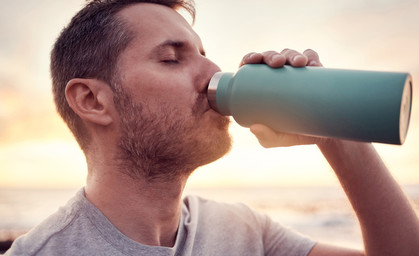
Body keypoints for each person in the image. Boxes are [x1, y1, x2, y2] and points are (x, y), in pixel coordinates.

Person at [5, 0, 419, 255]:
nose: (213, 72)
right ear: (93, 100)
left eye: (205, 54)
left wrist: (334, 134)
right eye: (171, 58)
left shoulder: (244, 233)